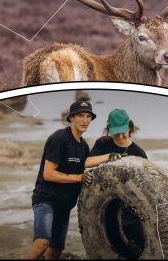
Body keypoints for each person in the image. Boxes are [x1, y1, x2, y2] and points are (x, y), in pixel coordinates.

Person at [24, 101, 107, 259]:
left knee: (55, 251)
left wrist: (109, 158)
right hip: (46, 200)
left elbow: (87, 168)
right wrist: (78, 178)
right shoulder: (59, 139)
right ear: (71, 118)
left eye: (88, 116)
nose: (85, 120)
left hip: (64, 206)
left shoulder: (84, 147)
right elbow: (48, 174)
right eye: (81, 115)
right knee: (42, 243)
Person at [86, 108, 148, 257]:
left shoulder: (138, 153)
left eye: (123, 132)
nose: (119, 136)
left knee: (139, 247)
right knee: (115, 245)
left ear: (130, 128)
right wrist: (109, 156)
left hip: (131, 210)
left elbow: (146, 184)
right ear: (109, 130)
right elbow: (87, 162)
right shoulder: (103, 143)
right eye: (116, 132)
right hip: (108, 206)